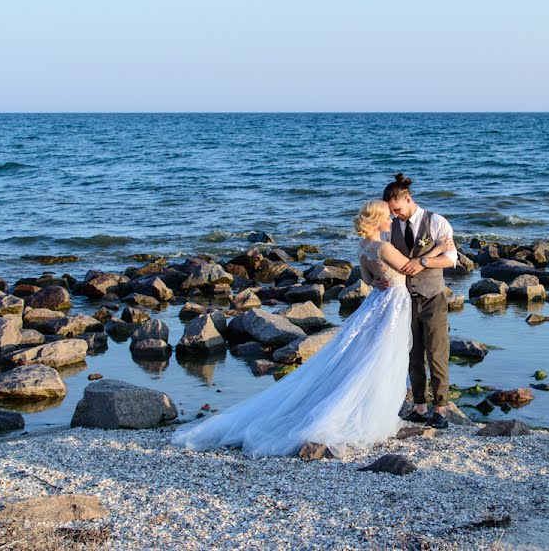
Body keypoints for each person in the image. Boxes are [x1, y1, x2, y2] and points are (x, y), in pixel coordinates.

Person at [171, 200, 453, 457]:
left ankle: (377, 409)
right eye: (387, 217)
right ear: (378, 219)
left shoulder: (364, 247)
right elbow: (409, 268)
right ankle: (368, 415)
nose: (391, 220)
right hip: (393, 304)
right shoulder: (383, 247)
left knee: (364, 356)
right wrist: (440, 249)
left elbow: (367, 278)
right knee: (382, 359)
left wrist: (382, 278)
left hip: (377, 300)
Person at [382, 173, 458, 429]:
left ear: (409, 199)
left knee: (437, 353)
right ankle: (419, 407)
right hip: (405, 300)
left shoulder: (436, 222)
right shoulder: (391, 227)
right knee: (413, 355)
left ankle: (441, 409)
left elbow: (451, 258)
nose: (395, 215)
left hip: (433, 297)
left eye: (398, 210)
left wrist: (424, 261)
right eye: (391, 212)